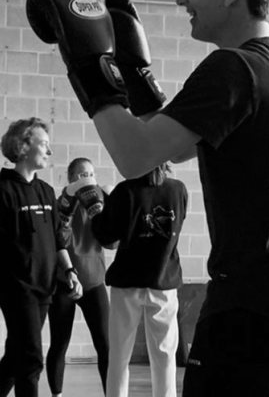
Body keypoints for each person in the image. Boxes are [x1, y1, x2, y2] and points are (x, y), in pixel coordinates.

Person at [26, 0, 269, 394]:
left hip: (255, 308)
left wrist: (90, 66)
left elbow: (135, 156)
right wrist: (135, 77)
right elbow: (175, 150)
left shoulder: (233, 68)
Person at [0, 117, 84, 397]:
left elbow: (58, 240)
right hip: (15, 288)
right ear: (23, 147)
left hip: (43, 286)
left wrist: (70, 271)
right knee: (31, 359)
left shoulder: (46, 191)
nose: (50, 151)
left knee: (16, 356)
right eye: (44, 144)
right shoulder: (1, 193)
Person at [90, 163, 188, 397]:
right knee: (165, 356)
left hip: (128, 281)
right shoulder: (178, 189)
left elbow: (106, 235)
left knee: (119, 355)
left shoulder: (125, 191)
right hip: (163, 279)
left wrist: (95, 210)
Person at [48, 157, 114, 397]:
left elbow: (112, 243)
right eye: (84, 175)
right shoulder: (61, 203)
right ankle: (57, 394)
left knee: (105, 345)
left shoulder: (101, 198)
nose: (89, 179)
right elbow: (60, 239)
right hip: (64, 280)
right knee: (59, 343)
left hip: (94, 280)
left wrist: (107, 207)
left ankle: (111, 394)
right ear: (72, 179)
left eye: (92, 174)